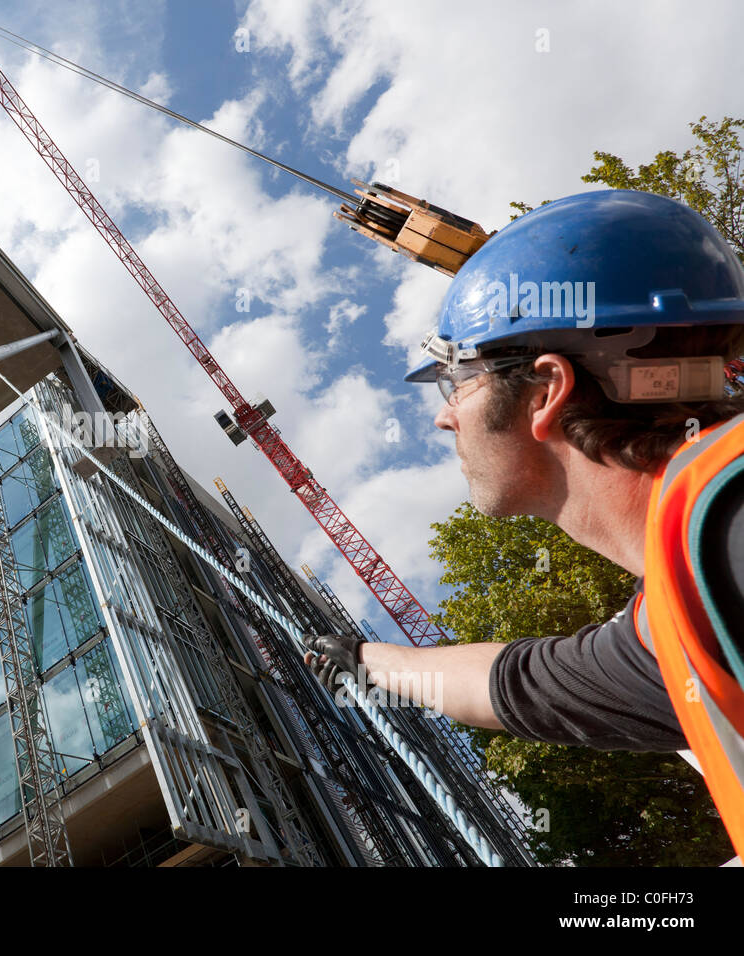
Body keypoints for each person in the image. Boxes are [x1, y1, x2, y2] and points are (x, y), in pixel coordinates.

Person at [304, 189, 744, 859]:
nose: (443, 416)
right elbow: (518, 685)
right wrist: (365, 660)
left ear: (545, 391)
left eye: (459, 380)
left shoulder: (730, 523)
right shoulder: (683, 615)